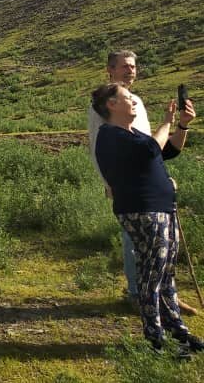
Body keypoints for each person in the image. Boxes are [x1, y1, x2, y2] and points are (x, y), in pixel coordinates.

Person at [87, 50, 198, 315]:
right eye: (125, 66)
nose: (131, 71)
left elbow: (154, 148)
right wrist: (109, 182)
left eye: (134, 66)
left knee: (164, 245)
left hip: (150, 184)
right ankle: (137, 294)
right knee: (134, 242)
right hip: (127, 184)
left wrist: (181, 126)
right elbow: (97, 146)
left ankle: (164, 294)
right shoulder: (103, 105)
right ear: (110, 71)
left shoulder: (135, 101)